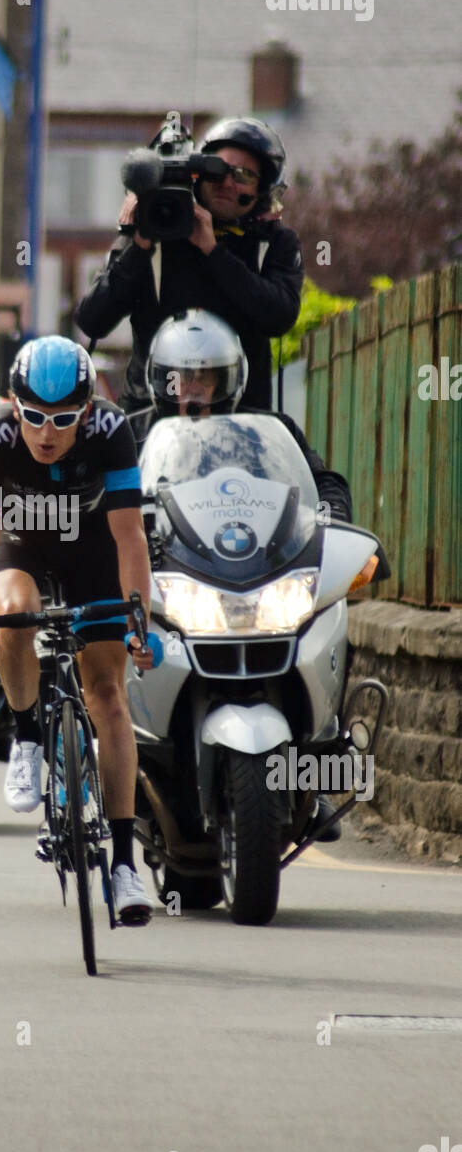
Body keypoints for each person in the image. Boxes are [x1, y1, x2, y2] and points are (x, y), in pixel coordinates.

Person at [0, 336, 161, 923]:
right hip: (21, 548)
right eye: (35, 417)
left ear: (89, 411)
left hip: (92, 550)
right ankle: (26, 736)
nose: (48, 434)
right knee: (14, 610)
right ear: (13, 405)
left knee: (108, 698)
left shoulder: (111, 433)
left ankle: (125, 865)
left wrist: (138, 624)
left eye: (65, 419)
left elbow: (129, 538)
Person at [142, 307, 353, 842]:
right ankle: (93, 774)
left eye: (204, 376)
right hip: (169, 575)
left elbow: (321, 484)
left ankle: (317, 768)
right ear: (160, 380)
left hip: (254, 575)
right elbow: (106, 497)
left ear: (227, 379)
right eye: (180, 377)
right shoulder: (136, 435)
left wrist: (332, 524)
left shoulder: (268, 435)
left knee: (323, 620)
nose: (191, 388)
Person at [74, 117, 304, 425]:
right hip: (151, 425)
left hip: (242, 424)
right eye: (217, 170)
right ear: (197, 173)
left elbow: (279, 316)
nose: (227, 182)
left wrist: (214, 253)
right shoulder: (157, 226)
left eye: (244, 176)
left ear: (262, 190)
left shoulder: (274, 242)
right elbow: (92, 319)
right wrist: (139, 245)